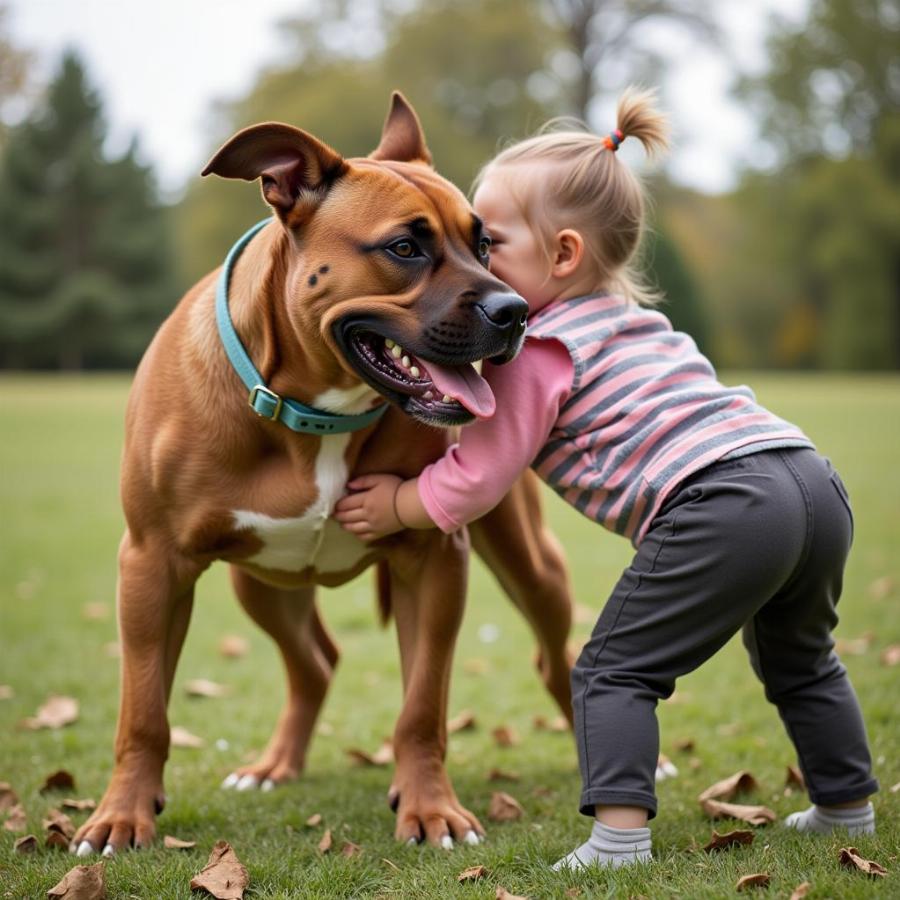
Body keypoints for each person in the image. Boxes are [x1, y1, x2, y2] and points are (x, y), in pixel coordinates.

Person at [333, 87, 878, 869]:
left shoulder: (537, 349)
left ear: (561, 256)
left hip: (722, 501)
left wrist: (397, 502)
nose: (472, 269)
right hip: (808, 480)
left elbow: (480, 480)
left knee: (612, 667)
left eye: (488, 246)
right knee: (802, 657)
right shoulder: (633, 322)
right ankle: (846, 806)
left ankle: (619, 839)